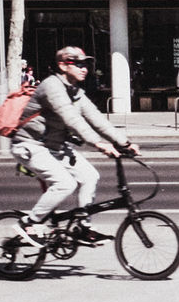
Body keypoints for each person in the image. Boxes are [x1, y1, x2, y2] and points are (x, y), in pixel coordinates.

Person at [10, 47, 140, 247]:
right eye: (78, 64)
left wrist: (125, 143)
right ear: (62, 65)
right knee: (65, 184)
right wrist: (98, 143)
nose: (84, 68)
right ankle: (28, 223)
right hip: (30, 145)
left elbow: (96, 119)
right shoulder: (51, 86)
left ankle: (82, 226)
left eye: (85, 64)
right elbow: (71, 119)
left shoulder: (76, 92)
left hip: (56, 147)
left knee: (90, 176)